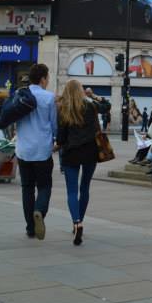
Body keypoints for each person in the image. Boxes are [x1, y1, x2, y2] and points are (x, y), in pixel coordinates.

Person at [15, 64, 58, 240]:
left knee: (27, 188)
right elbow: (54, 125)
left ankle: (30, 228)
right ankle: (39, 211)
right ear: (42, 79)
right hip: (42, 150)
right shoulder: (49, 97)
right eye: (47, 78)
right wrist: (57, 140)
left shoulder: (20, 95)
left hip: (23, 149)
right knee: (44, 186)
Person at [55, 80, 99, 245]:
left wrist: (57, 146)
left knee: (72, 191)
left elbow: (61, 137)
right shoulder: (91, 106)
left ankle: (77, 222)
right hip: (90, 151)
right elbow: (105, 109)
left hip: (71, 152)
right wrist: (94, 96)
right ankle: (80, 221)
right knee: (85, 188)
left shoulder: (63, 109)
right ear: (81, 91)